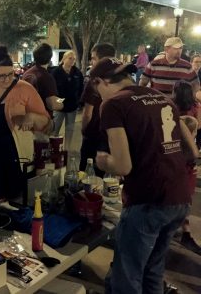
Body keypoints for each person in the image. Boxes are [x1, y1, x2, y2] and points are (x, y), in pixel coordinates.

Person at [91, 57, 197, 294]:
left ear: (100, 82)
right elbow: (192, 151)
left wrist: (103, 160)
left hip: (148, 200)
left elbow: (123, 166)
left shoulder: (113, 105)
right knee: (153, 269)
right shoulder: (162, 99)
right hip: (178, 197)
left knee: (126, 277)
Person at [0, 44, 52, 202]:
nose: (7, 79)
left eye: (11, 74)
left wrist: (32, 117)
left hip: (15, 155)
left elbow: (47, 122)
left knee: (16, 199)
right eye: (1, 75)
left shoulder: (25, 89)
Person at [80, 43, 115, 176]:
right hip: (112, 135)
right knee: (102, 175)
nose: (91, 61)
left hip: (93, 134)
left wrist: (84, 130)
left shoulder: (94, 81)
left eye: (93, 58)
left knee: (84, 173)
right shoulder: (120, 80)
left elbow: (87, 114)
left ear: (102, 61)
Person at [51, 50, 84, 150]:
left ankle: (66, 150)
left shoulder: (77, 72)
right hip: (59, 105)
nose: (72, 61)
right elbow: (51, 89)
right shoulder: (56, 72)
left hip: (72, 106)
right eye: (70, 58)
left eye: (74, 59)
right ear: (64, 59)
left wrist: (78, 102)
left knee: (69, 130)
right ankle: (52, 149)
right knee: (55, 128)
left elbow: (81, 88)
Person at [178, 115, 201, 254]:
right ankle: (185, 235)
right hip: (183, 190)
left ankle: (185, 233)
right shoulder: (186, 152)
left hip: (186, 190)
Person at [22, 43, 63, 117]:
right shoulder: (46, 77)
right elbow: (52, 105)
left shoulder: (27, 73)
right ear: (50, 58)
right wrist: (62, 103)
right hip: (41, 120)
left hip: (27, 117)